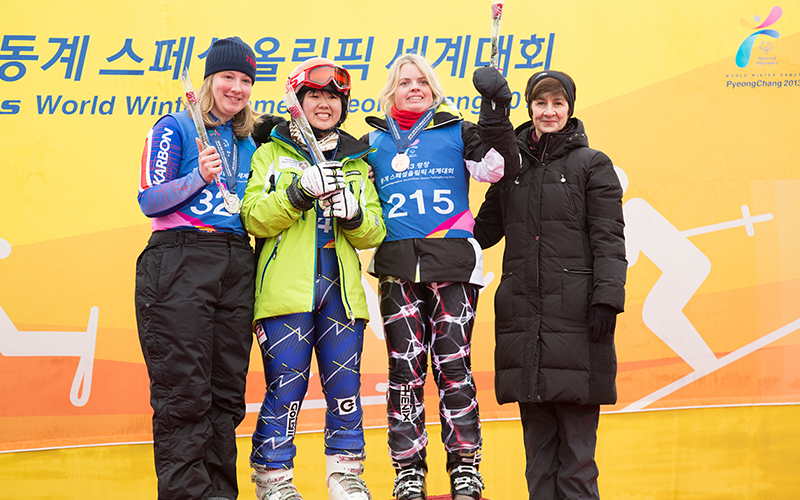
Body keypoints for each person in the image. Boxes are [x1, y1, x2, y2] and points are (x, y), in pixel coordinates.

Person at [362, 53, 517, 500]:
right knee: (404, 370)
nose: (414, 87)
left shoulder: (458, 129)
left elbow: (497, 169)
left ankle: (465, 464)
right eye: (405, 81)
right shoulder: (372, 142)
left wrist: (495, 113)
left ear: (433, 90)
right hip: (396, 270)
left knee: (453, 366)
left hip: (452, 265)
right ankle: (408, 467)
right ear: (391, 91)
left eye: (422, 82)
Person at [473, 70, 627, 500]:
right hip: (524, 324)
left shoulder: (592, 164)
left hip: (578, 321)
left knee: (577, 460)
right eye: (541, 103)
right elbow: (481, 231)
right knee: (539, 459)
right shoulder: (511, 165)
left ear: (570, 109)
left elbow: (609, 238)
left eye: (558, 103)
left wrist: (607, 302)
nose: (549, 111)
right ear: (529, 108)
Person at [241, 57, 386, 500]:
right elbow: (253, 217)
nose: (324, 104)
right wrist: (299, 192)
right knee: (286, 385)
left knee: (345, 386)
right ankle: (274, 478)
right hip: (286, 293)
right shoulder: (270, 152)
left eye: (333, 97)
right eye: (314, 96)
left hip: (341, 293)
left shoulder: (357, 160)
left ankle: (345, 475)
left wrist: (355, 214)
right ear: (297, 103)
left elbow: (375, 229)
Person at [135, 37, 259, 500]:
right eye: (229, 77)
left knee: (226, 397)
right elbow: (149, 199)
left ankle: (221, 493)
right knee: (184, 394)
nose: (237, 88)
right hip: (180, 257)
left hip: (234, 260)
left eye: (246, 81)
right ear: (209, 80)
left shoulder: (247, 139)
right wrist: (198, 178)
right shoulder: (175, 127)